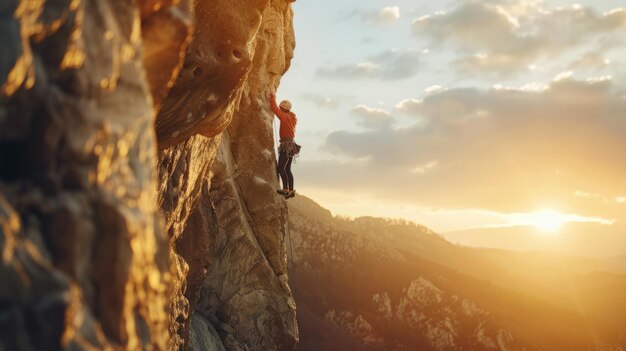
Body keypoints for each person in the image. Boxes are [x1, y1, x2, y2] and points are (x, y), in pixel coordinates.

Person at [269, 90, 299, 199]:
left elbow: (275, 109)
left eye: (282, 108)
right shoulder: (292, 117)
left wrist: (273, 96)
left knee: (281, 167)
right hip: (291, 145)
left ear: (284, 109)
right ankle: (290, 190)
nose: (280, 110)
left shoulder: (285, 117)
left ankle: (286, 189)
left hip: (286, 145)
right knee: (287, 169)